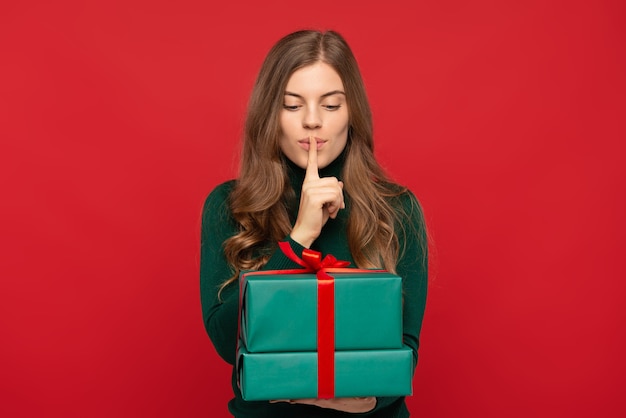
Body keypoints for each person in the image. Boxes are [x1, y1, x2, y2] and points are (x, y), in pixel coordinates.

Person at [200, 29, 428, 417]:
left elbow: (403, 353)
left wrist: (347, 398)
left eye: (331, 105)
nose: (312, 121)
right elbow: (227, 343)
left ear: (352, 112)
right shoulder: (229, 206)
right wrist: (300, 237)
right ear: (270, 115)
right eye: (292, 106)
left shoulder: (398, 210)